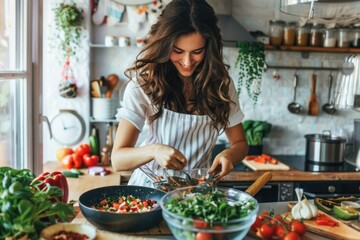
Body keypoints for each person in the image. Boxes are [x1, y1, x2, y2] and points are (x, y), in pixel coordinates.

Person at [111, 0, 248, 187]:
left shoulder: (221, 85)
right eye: (178, 51)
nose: (187, 61)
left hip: (196, 196)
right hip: (150, 193)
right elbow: (118, 160)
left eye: (197, 51)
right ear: (165, 46)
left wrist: (228, 155)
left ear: (209, 47)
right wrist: (154, 151)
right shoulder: (144, 84)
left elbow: (240, 143)